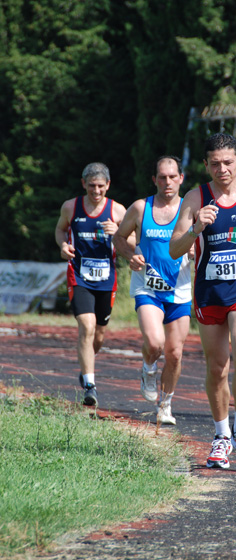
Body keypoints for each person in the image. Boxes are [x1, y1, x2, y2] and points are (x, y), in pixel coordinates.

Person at [170, 133, 236, 469]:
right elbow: (174, 248)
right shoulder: (195, 198)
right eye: (215, 163)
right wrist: (194, 229)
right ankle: (220, 437)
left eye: (228, 162)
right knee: (217, 367)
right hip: (209, 293)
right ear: (206, 165)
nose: (222, 169)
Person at [112, 155, 192, 426]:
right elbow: (119, 238)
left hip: (179, 290)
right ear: (154, 180)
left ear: (181, 178)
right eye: (162, 177)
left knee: (175, 353)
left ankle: (166, 404)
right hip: (148, 287)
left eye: (172, 177)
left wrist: (195, 250)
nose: (167, 182)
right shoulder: (139, 208)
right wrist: (130, 255)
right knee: (156, 343)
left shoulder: (189, 209)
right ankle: (148, 368)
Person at [55, 162, 127, 407]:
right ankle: (90, 385)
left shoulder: (117, 211)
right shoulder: (70, 207)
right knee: (86, 325)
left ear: (108, 186)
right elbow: (60, 231)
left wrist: (118, 231)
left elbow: (135, 239)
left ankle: (87, 367)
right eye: (92, 186)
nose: (96, 191)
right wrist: (63, 246)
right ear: (83, 184)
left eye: (101, 186)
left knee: (99, 334)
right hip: (79, 276)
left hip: (107, 279)